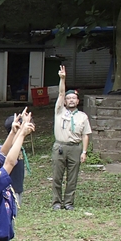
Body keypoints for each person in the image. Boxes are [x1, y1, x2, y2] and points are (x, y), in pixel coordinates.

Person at [52, 65, 92, 211]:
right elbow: (61, 93)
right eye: (68, 98)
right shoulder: (59, 110)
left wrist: (84, 152)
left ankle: (68, 202)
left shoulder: (82, 116)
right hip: (60, 147)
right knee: (57, 176)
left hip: (75, 148)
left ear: (77, 100)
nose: (70, 100)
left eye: (73, 98)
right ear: (65, 101)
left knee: (72, 177)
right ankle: (56, 202)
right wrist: (62, 79)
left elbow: (85, 134)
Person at [3, 114, 32, 241]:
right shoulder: (11, 148)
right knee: (6, 225)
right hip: (10, 193)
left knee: (10, 224)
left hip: (16, 191)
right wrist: (18, 130)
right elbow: (6, 152)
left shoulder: (18, 146)